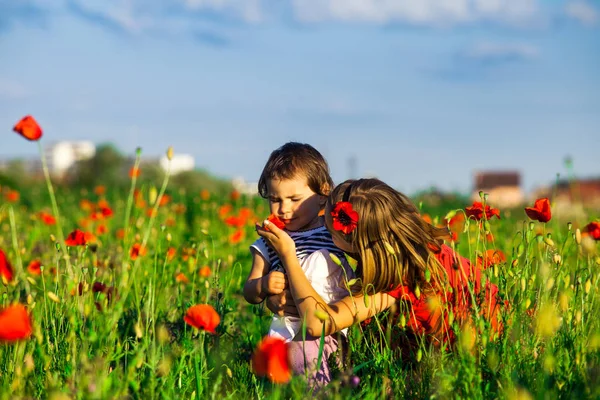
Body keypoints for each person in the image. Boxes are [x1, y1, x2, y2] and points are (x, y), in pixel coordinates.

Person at [257, 178, 504, 358]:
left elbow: (317, 324)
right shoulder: (417, 248)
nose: (323, 228)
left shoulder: (399, 274)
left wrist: (288, 255)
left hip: (479, 354)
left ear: (358, 240)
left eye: (330, 230)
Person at [242, 142, 354, 387]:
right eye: (275, 199)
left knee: (320, 373)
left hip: (331, 326)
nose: (284, 209)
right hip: (286, 330)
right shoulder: (270, 239)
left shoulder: (334, 230)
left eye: (294, 199)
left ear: (323, 193)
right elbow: (249, 290)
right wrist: (263, 285)